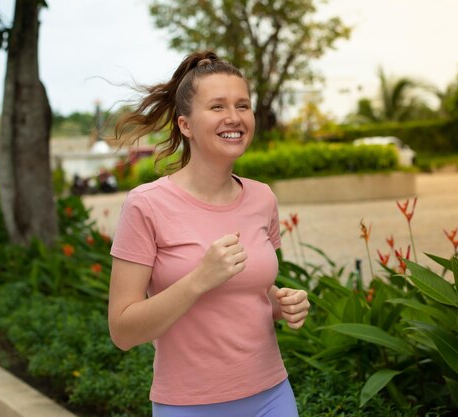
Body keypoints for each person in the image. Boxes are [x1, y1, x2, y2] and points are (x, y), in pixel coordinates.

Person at [108, 50, 310, 417]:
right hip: (187, 406)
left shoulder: (262, 197)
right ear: (185, 125)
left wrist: (283, 304)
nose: (234, 118)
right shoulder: (146, 205)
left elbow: (251, 295)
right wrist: (199, 279)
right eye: (217, 107)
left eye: (242, 105)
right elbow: (122, 331)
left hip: (272, 396)